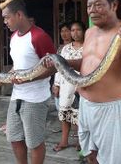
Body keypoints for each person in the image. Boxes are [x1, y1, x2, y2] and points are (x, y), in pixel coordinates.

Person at [43, 0, 121, 164]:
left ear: (114, 5)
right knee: (90, 154)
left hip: (111, 109)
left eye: (98, 5)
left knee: (110, 160)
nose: (92, 11)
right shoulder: (90, 32)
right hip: (85, 105)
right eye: (89, 6)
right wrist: (61, 62)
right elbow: (87, 63)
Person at [0, 0, 56, 164]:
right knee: (14, 138)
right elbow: (17, 66)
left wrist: (28, 79)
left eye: (7, 17)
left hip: (35, 98)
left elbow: (53, 67)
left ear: (19, 15)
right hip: (17, 96)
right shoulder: (14, 37)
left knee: (34, 142)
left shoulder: (39, 37)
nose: (5, 22)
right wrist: (5, 78)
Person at [52, 21, 85, 152]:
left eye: (78, 30)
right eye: (72, 30)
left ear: (83, 31)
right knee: (65, 114)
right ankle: (64, 141)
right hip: (66, 86)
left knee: (79, 116)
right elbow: (59, 68)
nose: (75, 33)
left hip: (81, 86)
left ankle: (80, 141)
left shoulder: (88, 47)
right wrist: (56, 84)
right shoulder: (65, 49)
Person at [52, 22, 73, 111]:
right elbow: (58, 68)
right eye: (62, 31)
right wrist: (56, 84)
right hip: (60, 81)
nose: (64, 34)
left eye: (66, 31)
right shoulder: (60, 48)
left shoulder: (76, 47)